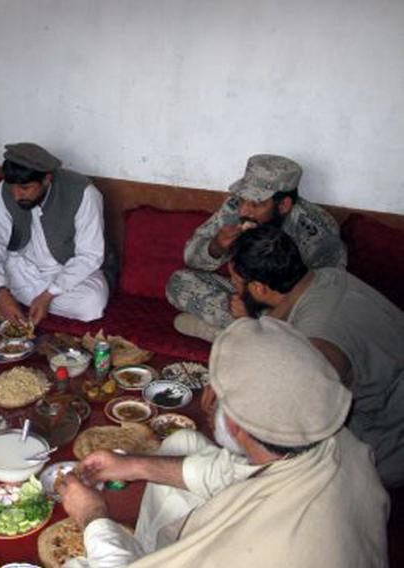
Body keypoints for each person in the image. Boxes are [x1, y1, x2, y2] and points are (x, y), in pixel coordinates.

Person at [58, 317, 388, 567]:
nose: (207, 397)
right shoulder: (329, 438)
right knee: (185, 441)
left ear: (233, 423)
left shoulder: (267, 549)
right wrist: (134, 465)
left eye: (214, 392)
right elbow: (237, 470)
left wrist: (93, 517)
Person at [229, 224, 404, 486]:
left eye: (234, 280)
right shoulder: (327, 277)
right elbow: (284, 319)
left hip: (386, 447)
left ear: (259, 289)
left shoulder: (319, 345)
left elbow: (297, 416)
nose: (232, 286)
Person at [166, 154, 345, 342]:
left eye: (256, 203)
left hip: (287, 306)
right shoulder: (236, 207)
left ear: (283, 204)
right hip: (246, 292)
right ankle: (246, 334)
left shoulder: (318, 231)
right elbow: (191, 259)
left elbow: (327, 295)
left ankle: (232, 335)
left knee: (308, 328)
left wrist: (260, 315)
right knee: (179, 282)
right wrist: (216, 246)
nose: (244, 210)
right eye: (243, 199)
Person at [0, 142, 108, 325]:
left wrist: (49, 294)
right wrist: (0, 292)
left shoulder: (84, 193)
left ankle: (26, 298)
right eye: (12, 186)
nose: (16, 195)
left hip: (64, 269)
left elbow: (90, 255)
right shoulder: (4, 190)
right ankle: (13, 297)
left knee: (91, 303)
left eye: (25, 188)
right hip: (21, 265)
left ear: (46, 179)